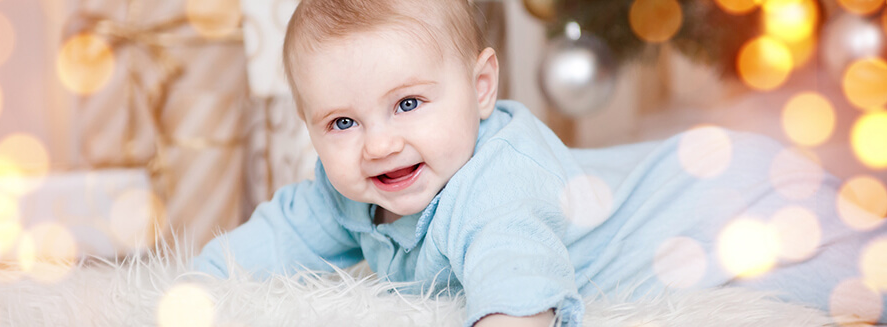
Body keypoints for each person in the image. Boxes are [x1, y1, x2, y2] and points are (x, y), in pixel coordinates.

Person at [194, 0, 887, 326]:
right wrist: (192, 285)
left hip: (718, 198)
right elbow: (279, 234)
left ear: (481, 87)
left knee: (847, 278)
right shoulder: (346, 186)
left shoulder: (497, 187)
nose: (377, 143)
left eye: (407, 104)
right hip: (690, 179)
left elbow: (517, 292)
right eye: (342, 122)